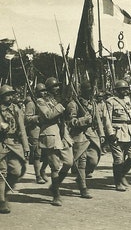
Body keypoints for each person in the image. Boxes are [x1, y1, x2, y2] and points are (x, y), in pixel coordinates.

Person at [37, 77, 74, 206]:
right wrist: (61, 105)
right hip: (50, 135)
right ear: (48, 89)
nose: (57, 88)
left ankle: (54, 185)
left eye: (58, 86)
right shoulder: (41, 101)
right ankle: (56, 195)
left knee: (69, 162)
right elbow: (48, 115)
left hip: (63, 134)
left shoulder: (59, 100)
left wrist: (68, 103)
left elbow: (68, 116)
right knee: (55, 167)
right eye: (55, 87)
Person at [66, 81, 106, 198]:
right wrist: (84, 120)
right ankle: (83, 188)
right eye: (88, 90)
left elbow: (98, 119)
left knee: (93, 160)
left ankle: (81, 177)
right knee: (81, 163)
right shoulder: (73, 104)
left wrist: (102, 134)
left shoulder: (92, 103)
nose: (90, 93)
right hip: (79, 135)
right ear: (82, 91)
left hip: (92, 135)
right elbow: (71, 122)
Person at [0, 85, 29, 214]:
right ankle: (1, 201)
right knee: (2, 173)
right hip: (1, 143)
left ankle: (5, 191)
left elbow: (22, 129)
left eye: (12, 94)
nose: (11, 97)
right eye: (8, 94)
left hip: (14, 143)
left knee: (16, 171)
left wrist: (26, 146)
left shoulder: (15, 108)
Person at [106, 80, 131, 192]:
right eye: (123, 89)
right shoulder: (111, 101)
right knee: (118, 159)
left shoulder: (128, 100)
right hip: (117, 132)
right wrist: (110, 133)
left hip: (129, 131)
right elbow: (107, 119)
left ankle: (122, 173)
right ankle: (118, 182)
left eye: (126, 89)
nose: (126, 91)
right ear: (117, 91)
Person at [24, 83, 48, 184]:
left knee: (48, 154)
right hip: (35, 131)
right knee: (37, 155)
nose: (44, 93)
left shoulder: (44, 102)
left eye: (45, 90)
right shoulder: (31, 103)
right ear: (37, 92)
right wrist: (38, 117)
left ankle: (42, 170)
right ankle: (38, 176)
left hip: (45, 130)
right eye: (42, 91)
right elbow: (27, 118)